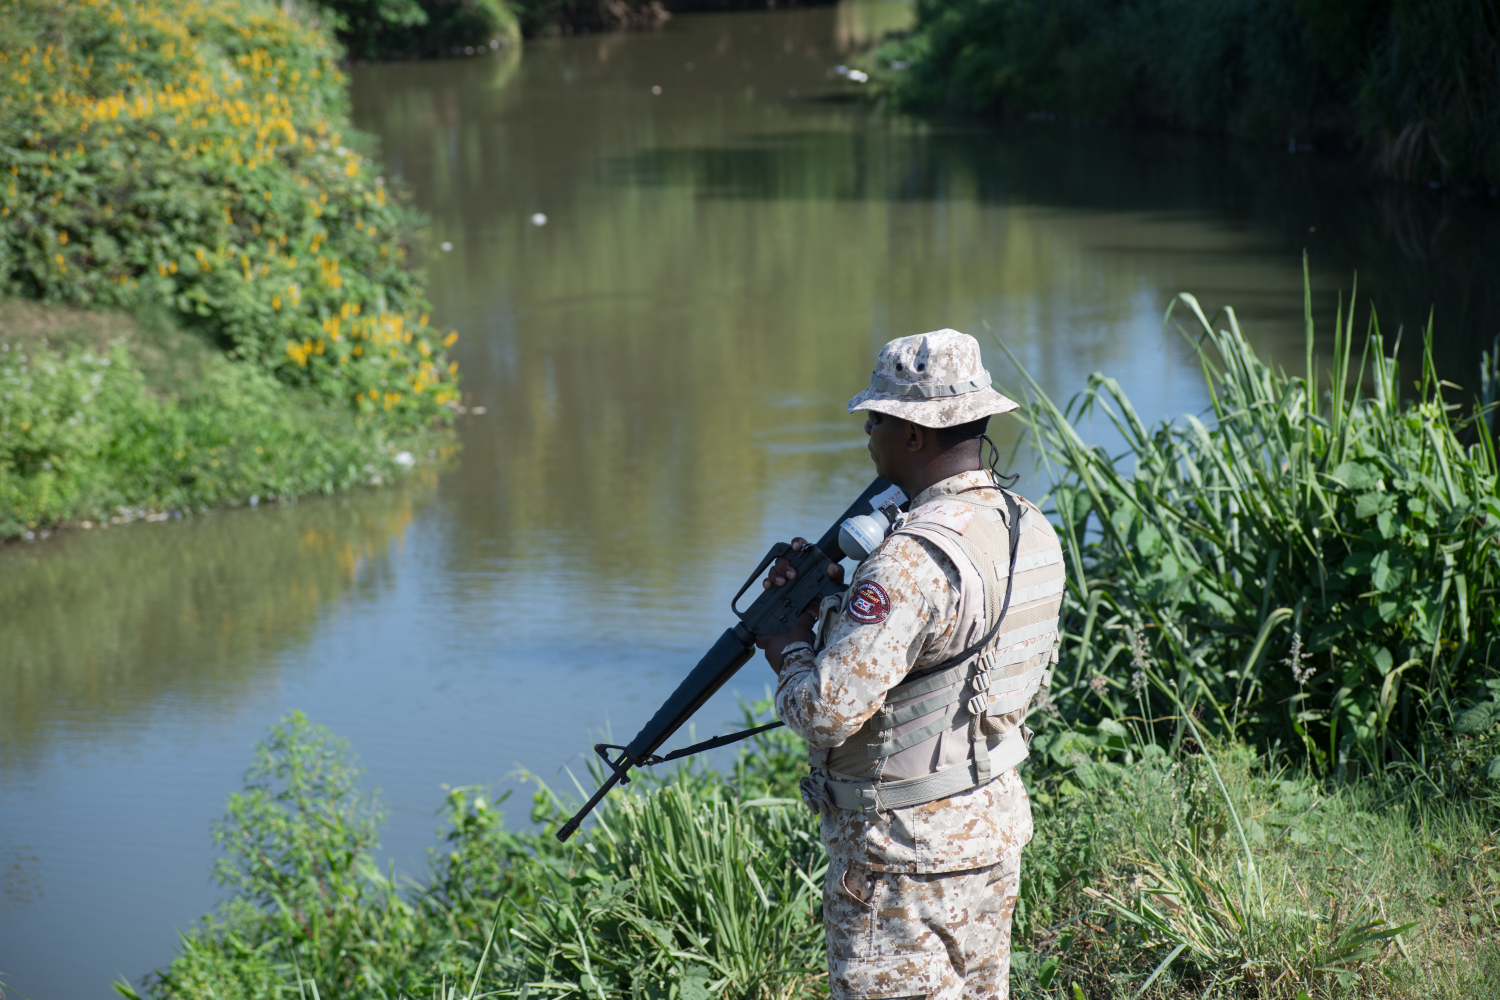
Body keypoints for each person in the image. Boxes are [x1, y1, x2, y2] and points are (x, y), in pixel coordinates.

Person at [755, 329, 1065, 1000]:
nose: (869, 435)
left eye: (877, 421)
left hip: (903, 854)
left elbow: (825, 713)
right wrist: (840, 598)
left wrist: (790, 645)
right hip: (990, 825)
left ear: (915, 436)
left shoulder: (907, 561)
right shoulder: (1026, 525)